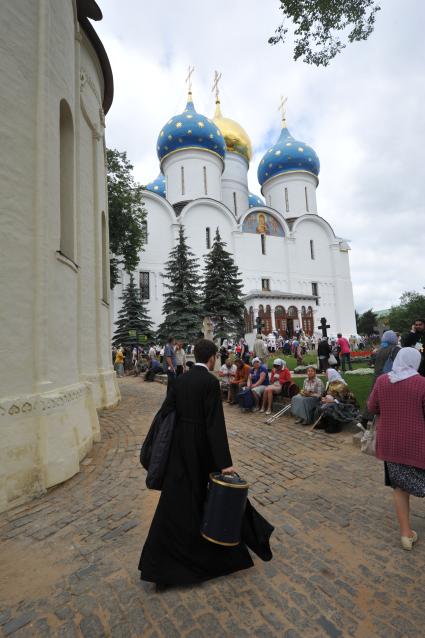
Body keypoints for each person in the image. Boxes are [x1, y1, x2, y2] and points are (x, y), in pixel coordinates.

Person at [139, 339, 274, 587]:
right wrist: (224, 463)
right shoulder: (210, 382)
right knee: (206, 500)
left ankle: (160, 566)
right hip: (201, 450)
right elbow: (214, 424)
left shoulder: (180, 381)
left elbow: (166, 412)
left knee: (176, 501)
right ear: (212, 358)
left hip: (179, 449)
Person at [367, 348, 425, 550]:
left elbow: (372, 407)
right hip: (418, 444)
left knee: (399, 488)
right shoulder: (422, 384)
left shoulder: (383, 381)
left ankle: (405, 534)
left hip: (391, 443)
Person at [314, 368, 359, 433]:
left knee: (330, 407)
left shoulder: (341, 385)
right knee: (320, 404)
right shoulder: (330, 383)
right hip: (332, 401)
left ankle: (335, 427)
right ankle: (324, 423)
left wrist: (332, 401)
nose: (326, 375)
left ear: (331, 375)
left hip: (345, 404)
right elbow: (326, 394)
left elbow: (343, 399)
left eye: (327, 374)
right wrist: (323, 398)